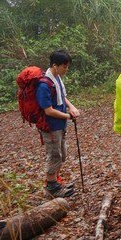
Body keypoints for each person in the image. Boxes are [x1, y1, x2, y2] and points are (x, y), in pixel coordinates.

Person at [37, 50, 81, 198]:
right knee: (54, 155)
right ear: (54, 66)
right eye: (64, 66)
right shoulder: (44, 84)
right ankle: (51, 188)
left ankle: (55, 182)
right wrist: (68, 116)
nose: (66, 69)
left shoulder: (57, 79)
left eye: (67, 66)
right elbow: (48, 111)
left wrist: (72, 107)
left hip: (59, 125)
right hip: (51, 126)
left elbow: (63, 97)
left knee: (62, 154)